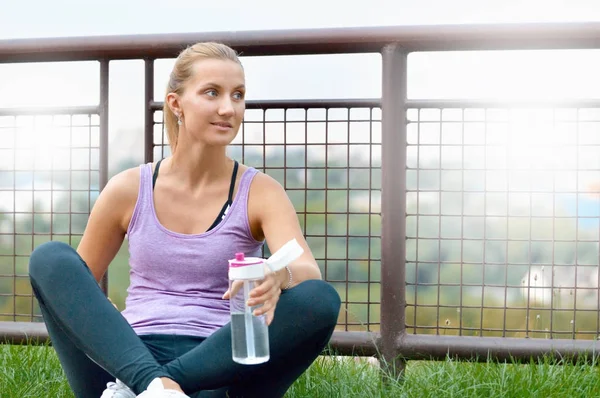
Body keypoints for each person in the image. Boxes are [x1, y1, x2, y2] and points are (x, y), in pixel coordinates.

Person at [28, 42, 341, 398]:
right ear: (176, 103)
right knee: (50, 258)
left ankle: (160, 388)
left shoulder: (260, 191)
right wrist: (122, 346)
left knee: (319, 298)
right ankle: (154, 385)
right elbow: (76, 290)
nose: (228, 108)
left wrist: (277, 274)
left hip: (217, 365)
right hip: (128, 359)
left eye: (237, 95)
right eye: (212, 93)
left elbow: (306, 271)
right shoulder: (129, 188)